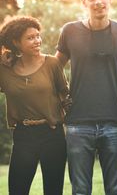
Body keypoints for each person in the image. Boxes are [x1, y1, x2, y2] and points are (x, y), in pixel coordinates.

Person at [55, 0, 117, 195]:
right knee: (80, 190)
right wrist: (61, 96)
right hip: (78, 124)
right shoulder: (70, 31)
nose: (98, 2)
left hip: (114, 123)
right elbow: (53, 68)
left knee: (116, 189)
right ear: (84, 2)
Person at [0, 16, 69, 195]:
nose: (37, 40)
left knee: (53, 191)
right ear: (16, 42)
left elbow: (65, 96)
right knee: (17, 190)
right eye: (30, 38)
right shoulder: (4, 68)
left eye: (38, 35)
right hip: (24, 135)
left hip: (52, 133)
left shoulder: (52, 63)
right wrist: (3, 52)